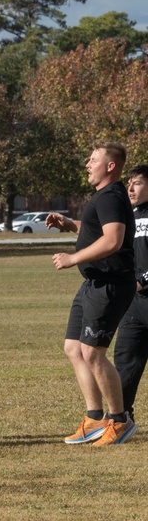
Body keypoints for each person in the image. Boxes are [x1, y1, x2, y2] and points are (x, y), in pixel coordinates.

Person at [47, 141, 137, 446]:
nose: (88, 164)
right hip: (93, 283)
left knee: (92, 352)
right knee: (74, 348)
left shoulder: (111, 195)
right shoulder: (104, 197)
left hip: (110, 283)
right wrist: (71, 225)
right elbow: (98, 230)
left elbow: (113, 240)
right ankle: (95, 419)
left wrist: (74, 258)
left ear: (110, 166)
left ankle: (120, 421)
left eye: (93, 159)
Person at [115, 165, 148, 421]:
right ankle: (121, 418)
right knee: (125, 361)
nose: (130, 188)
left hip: (140, 288)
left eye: (136, 182)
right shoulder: (129, 216)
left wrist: (143, 280)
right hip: (134, 304)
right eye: (129, 182)